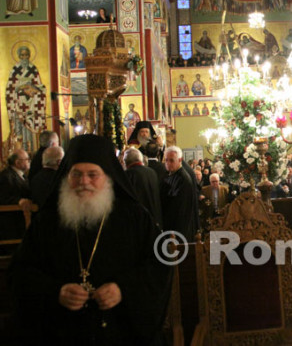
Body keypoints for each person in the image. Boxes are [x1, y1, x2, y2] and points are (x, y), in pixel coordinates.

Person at [9, 134, 171, 345]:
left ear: (108, 177)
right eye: (76, 174)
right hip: (62, 334)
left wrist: (123, 289)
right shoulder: (47, 220)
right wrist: (55, 292)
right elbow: (20, 272)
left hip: (122, 333)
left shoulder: (134, 216)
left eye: (93, 174)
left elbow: (160, 265)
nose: (83, 182)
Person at [6, 46, 47, 153]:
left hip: (32, 104)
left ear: (29, 56)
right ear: (19, 56)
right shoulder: (15, 69)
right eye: (22, 55)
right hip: (18, 104)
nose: (24, 57)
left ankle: (32, 151)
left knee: (30, 130)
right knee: (19, 129)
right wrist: (20, 88)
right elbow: (10, 88)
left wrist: (31, 88)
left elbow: (39, 87)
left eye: (26, 55)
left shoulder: (33, 69)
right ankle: (20, 152)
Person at [161, 146, 198, 239]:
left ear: (180, 160)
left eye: (171, 160)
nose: (168, 163)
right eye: (166, 160)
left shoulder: (183, 179)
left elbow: (180, 209)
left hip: (178, 230)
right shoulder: (171, 174)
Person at [124, 148, 162, 228]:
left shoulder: (128, 175)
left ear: (125, 162)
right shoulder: (152, 172)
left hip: (140, 222)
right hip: (155, 219)